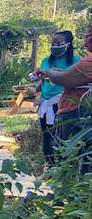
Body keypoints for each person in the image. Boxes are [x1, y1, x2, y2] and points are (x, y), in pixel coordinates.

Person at [35, 23, 92, 173]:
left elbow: (66, 79)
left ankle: (67, 179)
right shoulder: (47, 60)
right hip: (61, 105)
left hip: (76, 111)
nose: (85, 41)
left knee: (68, 149)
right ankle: (54, 169)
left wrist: (49, 73)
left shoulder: (85, 62)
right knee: (50, 138)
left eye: (87, 36)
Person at [31, 31, 80, 167]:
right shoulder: (46, 61)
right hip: (45, 101)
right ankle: (49, 165)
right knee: (47, 135)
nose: (55, 46)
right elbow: (42, 78)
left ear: (68, 45)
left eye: (59, 44)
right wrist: (37, 79)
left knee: (59, 136)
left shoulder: (76, 62)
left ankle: (61, 167)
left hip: (63, 102)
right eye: (53, 44)